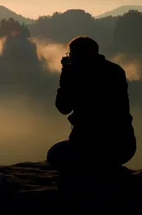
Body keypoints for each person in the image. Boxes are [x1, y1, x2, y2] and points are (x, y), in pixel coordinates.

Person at [47, 36, 136, 173]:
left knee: (54, 153)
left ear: (77, 56)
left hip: (89, 147)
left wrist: (66, 74)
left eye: (71, 55)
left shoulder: (79, 75)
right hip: (124, 146)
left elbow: (63, 107)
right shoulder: (116, 70)